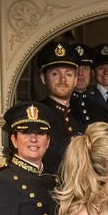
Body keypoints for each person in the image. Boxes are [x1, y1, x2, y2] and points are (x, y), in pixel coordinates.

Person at [36, 41, 81, 174]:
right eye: (55, 74)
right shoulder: (37, 115)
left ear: (75, 80)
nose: (63, 80)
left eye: (68, 74)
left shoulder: (83, 116)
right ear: (44, 78)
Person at [70, 43, 108, 129]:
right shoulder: (57, 109)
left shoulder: (101, 111)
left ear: (91, 74)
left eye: (85, 68)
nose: (80, 73)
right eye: (76, 68)